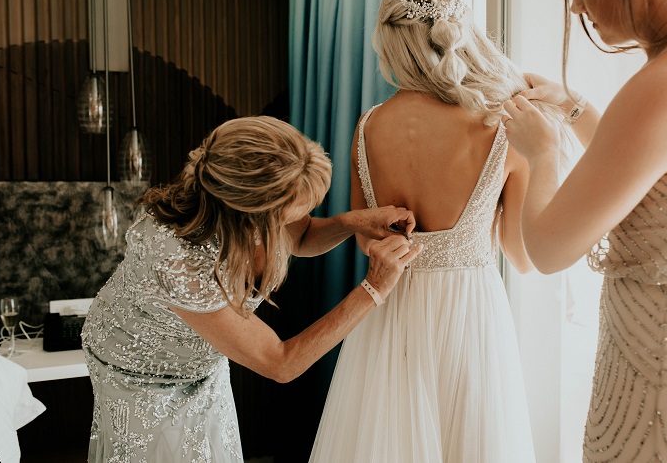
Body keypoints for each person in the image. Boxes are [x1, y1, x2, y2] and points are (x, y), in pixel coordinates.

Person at [309, 0, 576, 462]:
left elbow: (368, 240)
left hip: (390, 318)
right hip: (470, 319)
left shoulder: (369, 127)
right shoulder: (500, 126)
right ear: (462, 31)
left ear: (389, 38)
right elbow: (521, 256)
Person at [502, 0, 667, 461]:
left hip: (663, 388)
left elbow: (547, 249)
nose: (575, 6)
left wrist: (541, 152)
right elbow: (646, 184)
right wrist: (573, 107)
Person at [80, 115, 423, 462]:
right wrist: (373, 288)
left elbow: (301, 236)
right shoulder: (178, 260)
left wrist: (352, 222)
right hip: (141, 377)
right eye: (291, 212)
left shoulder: (248, 210)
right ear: (253, 212)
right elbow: (281, 363)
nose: (302, 215)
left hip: (202, 365)